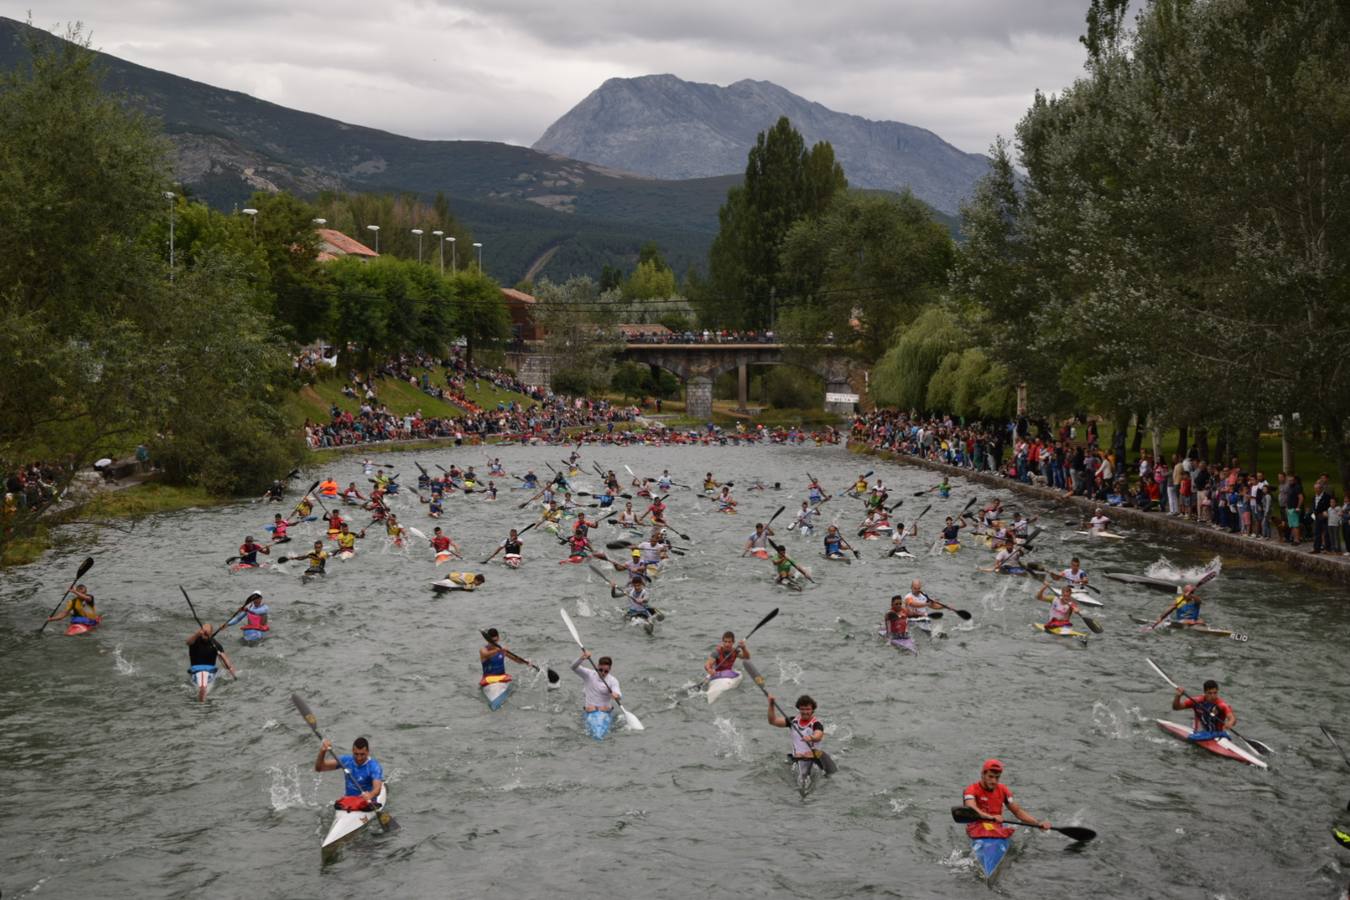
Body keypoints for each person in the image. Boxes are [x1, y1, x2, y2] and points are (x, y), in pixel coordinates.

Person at [962, 759, 1050, 845]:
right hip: (977, 827)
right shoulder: (971, 790)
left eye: (997, 777)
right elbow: (972, 809)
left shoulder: (1003, 790)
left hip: (995, 827)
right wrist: (991, 817)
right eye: (990, 776)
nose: (994, 781)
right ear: (983, 774)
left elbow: (1018, 812)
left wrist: (1038, 823)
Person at [767, 694, 826, 786]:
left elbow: (818, 735)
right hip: (797, 758)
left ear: (812, 710)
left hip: (813, 758)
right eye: (802, 709)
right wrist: (771, 705)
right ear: (799, 709)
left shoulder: (816, 724)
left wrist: (811, 737)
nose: (805, 712)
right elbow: (773, 721)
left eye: (808, 709)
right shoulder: (792, 721)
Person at [315, 736, 385, 811]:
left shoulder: (374, 767)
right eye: (356, 754)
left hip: (367, 803)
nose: (359, 758)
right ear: (352, 751)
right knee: (337, 804)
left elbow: (377, 789)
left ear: (368, 752)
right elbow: (319, 768)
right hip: (349, 802)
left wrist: (370, 795)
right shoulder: (346, 761)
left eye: (362, 754)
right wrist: (322, 751)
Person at [1171, 679, 1237, 740]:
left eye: (1215, 693)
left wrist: (1230, 723)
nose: (1213, 696)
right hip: (1198, 733)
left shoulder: (1222, 705)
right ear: (1205, 693)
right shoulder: (1197, 701)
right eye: (1210, 693)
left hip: (1217, 735)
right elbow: (1176, 707)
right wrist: (1178, 696)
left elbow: (1232, 718)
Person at [186, 623, 236, 702]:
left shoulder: (216, 645)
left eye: (206, 633)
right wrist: (197, 634)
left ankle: (202, 694)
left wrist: (230, 668)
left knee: (203, 686)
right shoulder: (194, 641)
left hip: (210, 671)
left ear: (211, 633)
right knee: (203, 686)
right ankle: (202, 693)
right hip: (196, 670)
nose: (204, 634)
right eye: (203, 632)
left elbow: (224, 659)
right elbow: (188, 642)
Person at [572, 649, 621, 716]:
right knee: (592, 708)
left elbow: (617, 693)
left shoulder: (613, 681)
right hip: (590, 712)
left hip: (605, 713)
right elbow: (573, 667)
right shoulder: (589, 674)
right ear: (597, 666)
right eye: (600, 670)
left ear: (610, 669)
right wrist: (581, 658)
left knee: (604, 708)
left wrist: (616, 696)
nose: (603, 673)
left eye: (606, 671)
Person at [479, 627, 514, 692]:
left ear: (498, 638)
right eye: (492, 641)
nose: (494, 643)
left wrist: (526, 662)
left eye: (495, 641)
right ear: (488, 640)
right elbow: (486, 654)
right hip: (488, 681)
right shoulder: (483, 650)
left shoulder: (502, 650)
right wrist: (498, 650)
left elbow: (515, 659)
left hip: (502, 679)